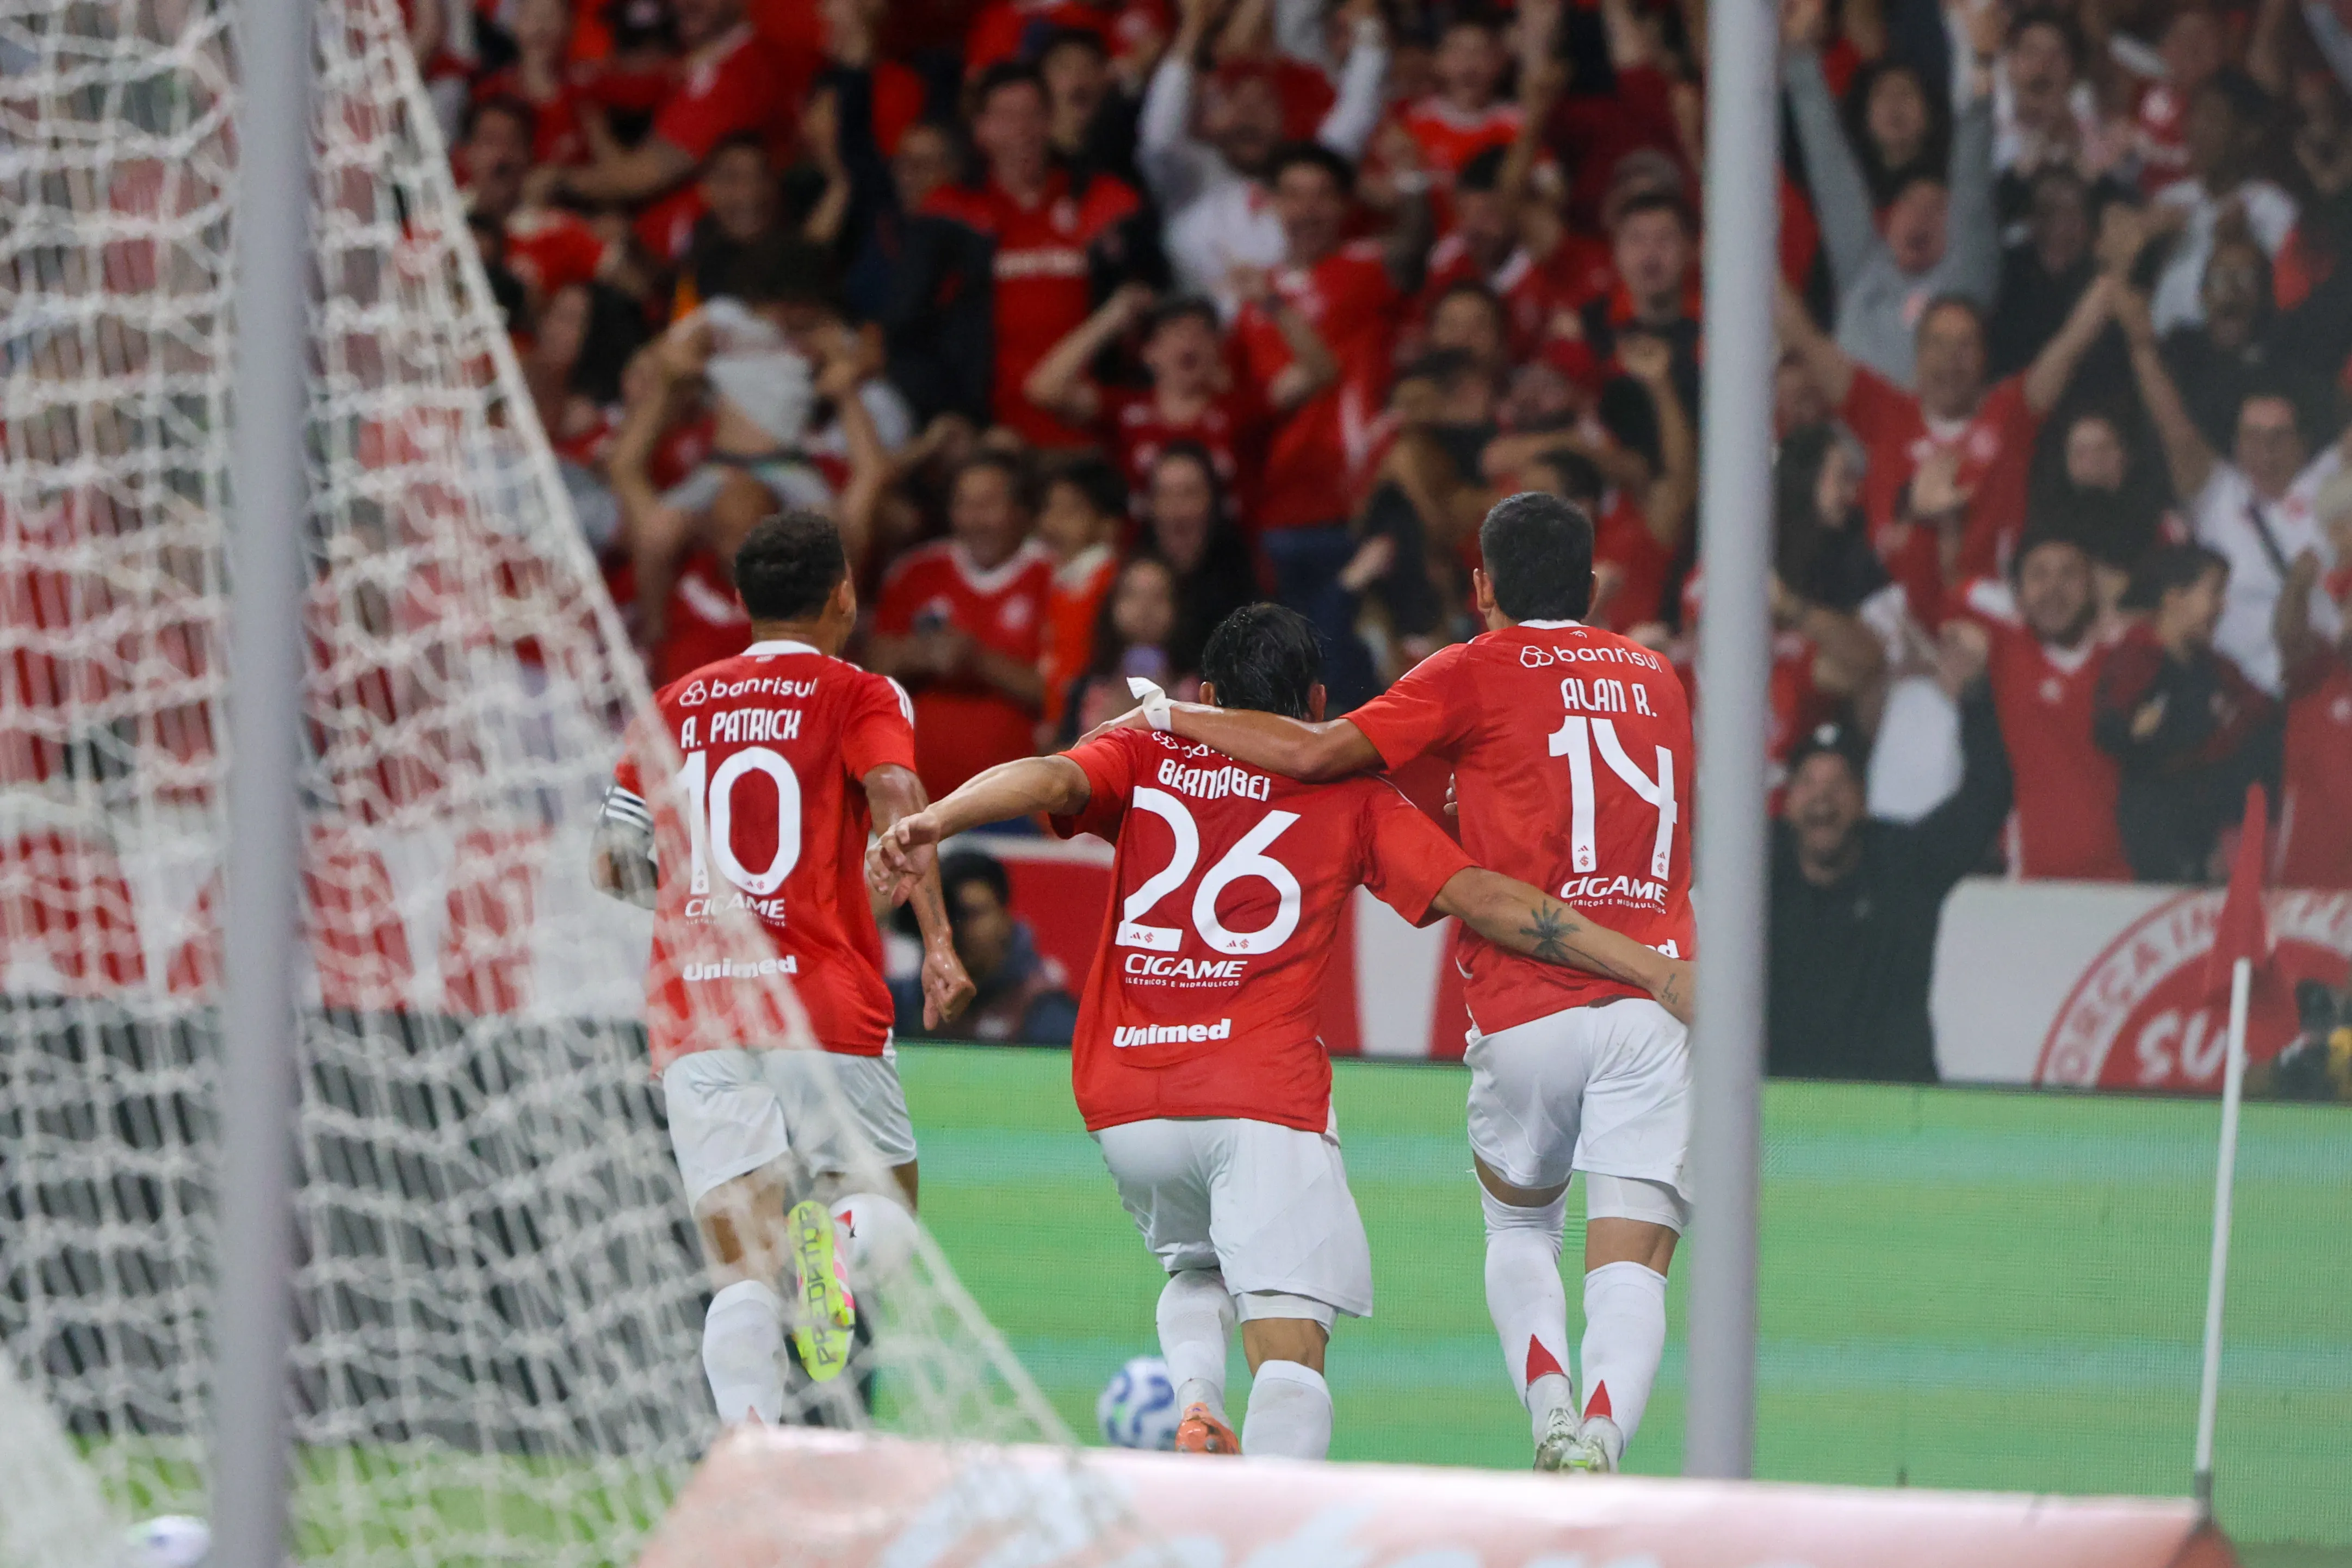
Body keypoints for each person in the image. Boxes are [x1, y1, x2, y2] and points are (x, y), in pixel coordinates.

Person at [870, 602, 1691, 1462]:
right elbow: (1482, 897)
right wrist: (1646, 965)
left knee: (1197, 1266)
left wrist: (937, 819)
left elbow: (1050, 777)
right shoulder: (1347, 791)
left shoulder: (1146, 747)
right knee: (1292, 1358)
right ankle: (1257, 1530)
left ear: (1210, 691)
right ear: (1320, 700)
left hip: (1124, 1101)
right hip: (1259, 1096)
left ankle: (1193, 1401)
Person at [1080, 493, 1699, 1474]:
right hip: (1652, 993)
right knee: (1632, 1257)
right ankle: (1603, 1439)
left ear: (1480, 587)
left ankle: (1546, 1413)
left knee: (1520, 1224)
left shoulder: (1470, 667)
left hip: (1526, 1000)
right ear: (1589, 588)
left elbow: (1320, 752)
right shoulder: (1661, 678)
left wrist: (1171, 711)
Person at [590, 510, 974, 1426]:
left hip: (696, 1013)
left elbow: (609, 862)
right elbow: (894, 793)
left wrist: (699, 907)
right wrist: (941, 939)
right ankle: (835, 1257)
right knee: (881, 1208)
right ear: (844, 593)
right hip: (819, 1001)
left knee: (738, 1269)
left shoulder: (673, 701)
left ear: (737, 601)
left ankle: (747, 1448)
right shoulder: (862, 692)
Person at [1768, 681, 2013, 1082]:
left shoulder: (1904, 862)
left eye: (1839, 783)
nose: (1823, 799)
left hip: (1891, 1113)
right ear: (1789, 801)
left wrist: (1975, 695)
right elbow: (1661, 818)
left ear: (1863, 799)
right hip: (1780, 1113)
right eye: (1808, 782)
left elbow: (1987, 794)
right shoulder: (1750, 868)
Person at [2122, 285, 2348, 696]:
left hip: (2319, 691)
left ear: (2302, 443)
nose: (2265, 451)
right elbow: (2174, 428)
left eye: (2279, 438)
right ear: (2236, 444)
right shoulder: (2217, 492)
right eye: (2253, 437)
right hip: (2236, 704)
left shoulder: (2327, 482)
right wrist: (2142, 347)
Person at [921, 63, 1146, 448]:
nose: (1022, 130)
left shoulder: (1100, 200)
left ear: (1050, 121)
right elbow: (915, 325)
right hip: (994, 436)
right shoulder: (951, 213)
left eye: (1033, 115)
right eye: (1007, 117)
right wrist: (956, 416)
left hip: (1090, 428)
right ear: (981, 130)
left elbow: (1141, 293)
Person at [1782, 0, 2000, 386]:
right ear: (1889, 220)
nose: (1921, 216)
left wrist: (1981, 67)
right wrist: (1799, 59)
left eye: (1937, 208)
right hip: (1851, 440)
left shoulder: (1966, 280)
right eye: (1911, 205)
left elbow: (1972, 179)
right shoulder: (1863, 268)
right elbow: (1830, 171)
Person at [1949, 525, 2134, 880]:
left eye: (2069, 574)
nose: (2054, 589)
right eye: (2039, 575)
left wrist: (2118, 601)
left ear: (2092, 583)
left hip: (2124, 880)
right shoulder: (2009, 649)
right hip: (2034, 878)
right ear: (2017, 591)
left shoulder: (2126, 654)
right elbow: (1954, 591)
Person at [867, 452, 1055, 798]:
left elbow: (1064, 694)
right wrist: (919, 655)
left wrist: (978, 661)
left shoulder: (1054, 577)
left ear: (1022, 512)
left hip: (1016, 808)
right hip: (916, 801)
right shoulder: (917, 571)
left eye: (988, 505)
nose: (974, 520)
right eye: (964, 505)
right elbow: (870, 672)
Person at [2095, 546, 2280, 882]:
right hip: (2155, 829)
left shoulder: (2216, 668)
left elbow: (2264, 711)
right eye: (2215, 592)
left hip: (2203, 828)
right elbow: (2114, 730)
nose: (2223, 606)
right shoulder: (2138, 660)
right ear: (2174, 598)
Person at [892, 851, 1081, 1044]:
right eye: (949, 915)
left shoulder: (1048, 1016)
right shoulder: (904, 1003)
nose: (957, 928)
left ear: (1004, 917)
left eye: (972, 913)